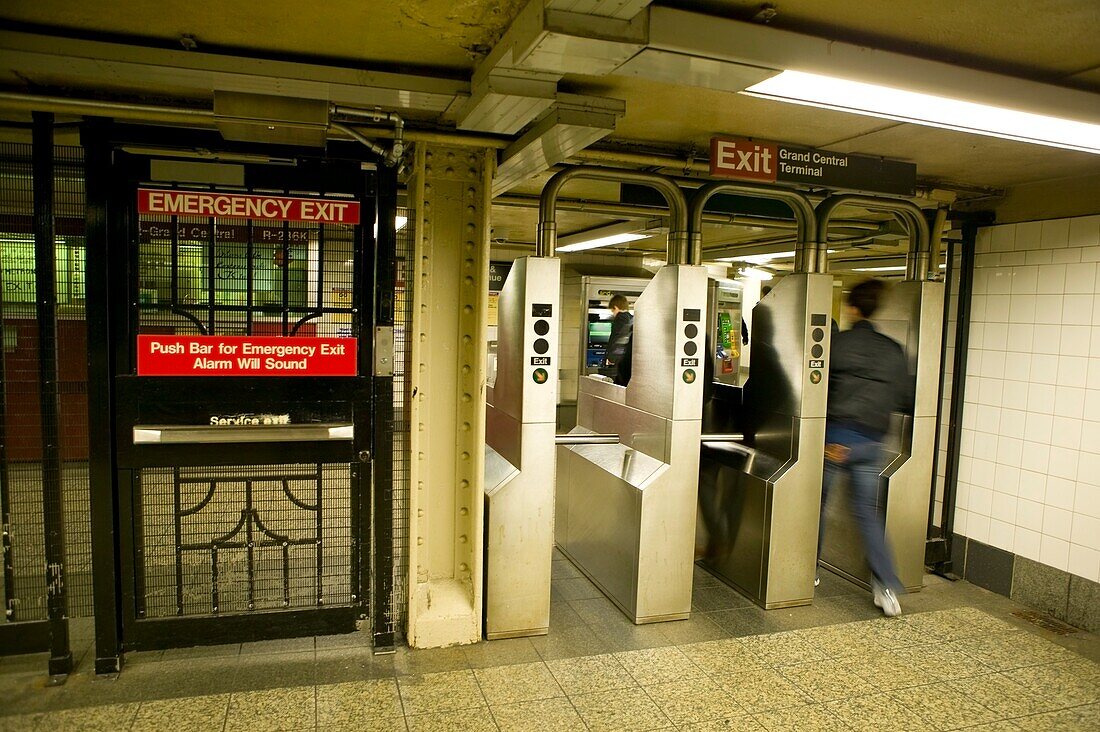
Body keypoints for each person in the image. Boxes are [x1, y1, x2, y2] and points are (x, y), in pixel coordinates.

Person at [818, 279, 914, 617]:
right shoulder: (892, 349)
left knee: (816, 504)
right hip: (873, 443)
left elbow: (817, 390)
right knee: (867, 515)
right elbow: (905, 397)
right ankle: (886, 589)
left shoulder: (839, 345)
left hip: (837, 440)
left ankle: (804, 573)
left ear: (852, 308)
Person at [605, 294, 633, 381]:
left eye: (612, 311)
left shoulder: (620, 317)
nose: (613, 314)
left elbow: (617, 338)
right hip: (626, 361)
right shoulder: (631, 318)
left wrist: (611, 357)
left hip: (618, 361)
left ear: (616, 307)